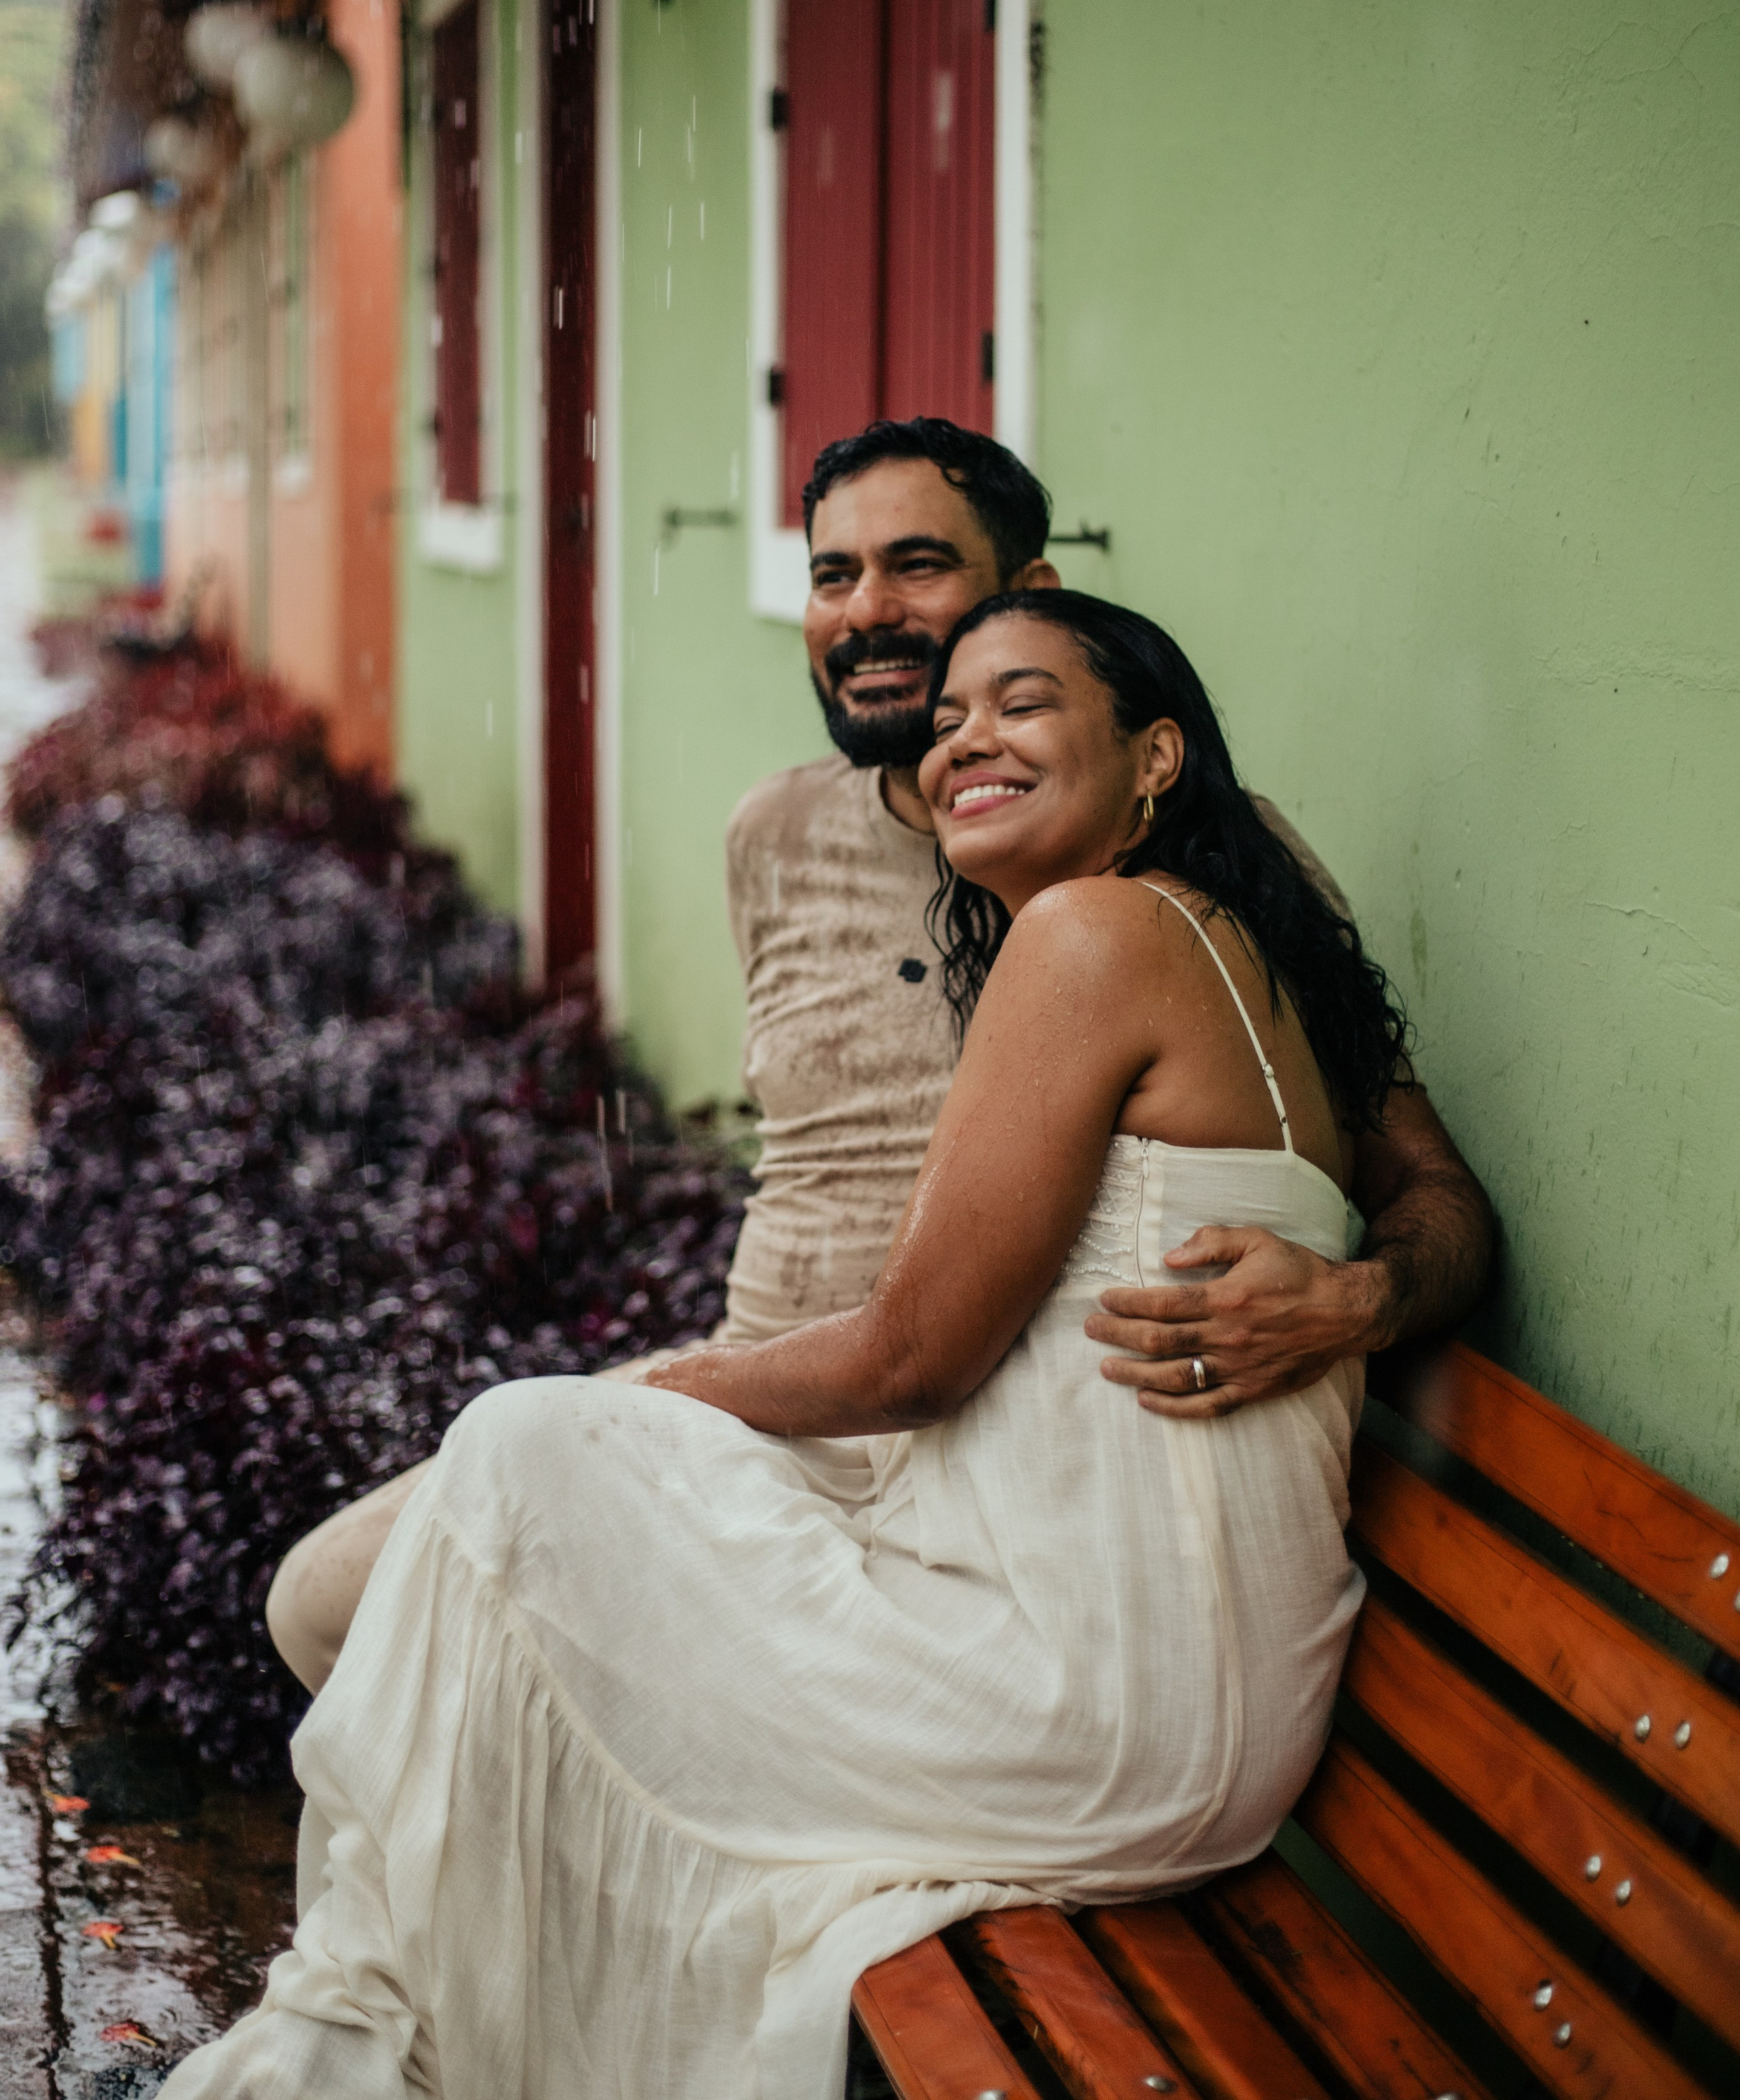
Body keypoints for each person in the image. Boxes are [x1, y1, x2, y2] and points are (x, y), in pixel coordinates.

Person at [162, 591, 1411, 2100]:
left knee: (522, 1455)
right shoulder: (1227, 945)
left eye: (1020, 705)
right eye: (948, 719)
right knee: (536, 1489)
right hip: (1165, 1674)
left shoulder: (1095, 934)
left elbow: (911, 1363)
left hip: (1093, 1701)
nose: (964, 743)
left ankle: (359, 2039)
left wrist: (652, 1395)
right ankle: (371, 2034)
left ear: (1154, 757)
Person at [266, 419, 1493, 1692]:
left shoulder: (1205, 879)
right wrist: (673, 1396)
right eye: (832, 575)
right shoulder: (777, 834)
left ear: (1031, 598)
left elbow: (1439, 1196)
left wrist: (1360, 1302)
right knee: (328, 1607)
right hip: (768, 1401)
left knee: (488, 1649)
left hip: (982, 1454)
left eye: (917, 566)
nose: (866, 614)